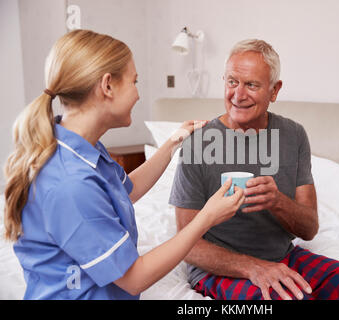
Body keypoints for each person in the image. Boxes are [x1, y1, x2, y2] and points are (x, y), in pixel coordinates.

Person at [3, 29, 245, 300]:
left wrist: (172, 143)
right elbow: (134, 279)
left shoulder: (80, 147)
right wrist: (207, 218)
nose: (138, 94)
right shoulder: (71, 183)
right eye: (135, 81)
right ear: (107, 86)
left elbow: (127, 190)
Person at [169, 39, 339, 300]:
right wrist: (253, 267)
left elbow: (309, 229)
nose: (238, 94)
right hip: (220, 269)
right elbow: (186, 246)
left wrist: (278, 201)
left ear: (274, 90)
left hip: (282, 257)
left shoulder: (294, 135)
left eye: (252, 85)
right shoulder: (198, 143)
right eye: (232, 82)